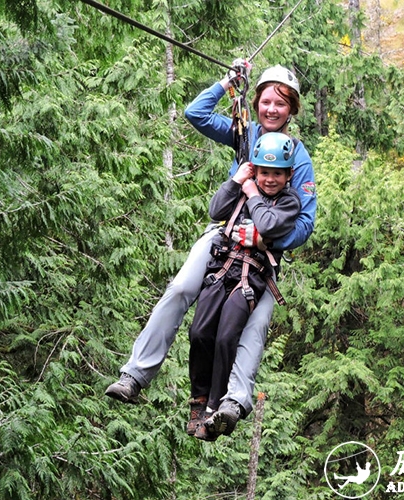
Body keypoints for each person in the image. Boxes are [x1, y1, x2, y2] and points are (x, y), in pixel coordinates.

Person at [105, 62, 316, 439]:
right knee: (182, 288)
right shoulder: (243, 134)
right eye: (265, 101)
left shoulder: (296, 157)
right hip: (223, 236)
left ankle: (232, 403)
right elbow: (195, 113)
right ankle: (135, 375)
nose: (272, 109)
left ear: (292, 110)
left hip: (262, 253)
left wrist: (264, 239)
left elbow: (304, 225)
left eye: (280, 104)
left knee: (255, 325)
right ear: (255, 104)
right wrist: (227, 82)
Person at [188, 132, 301, 441]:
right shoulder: (244, 187)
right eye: (265, 172)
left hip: (250, 277)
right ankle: (199, 400)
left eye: (278, 173)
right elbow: (216, 211)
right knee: (199, 333)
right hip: (221, 268)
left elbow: (267, 225)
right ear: (256, 169)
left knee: (226, 337)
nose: (270, 179)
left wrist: (251, 190)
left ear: (289, 174)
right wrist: (236, 181)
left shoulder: (289, 201)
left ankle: (215, 408)